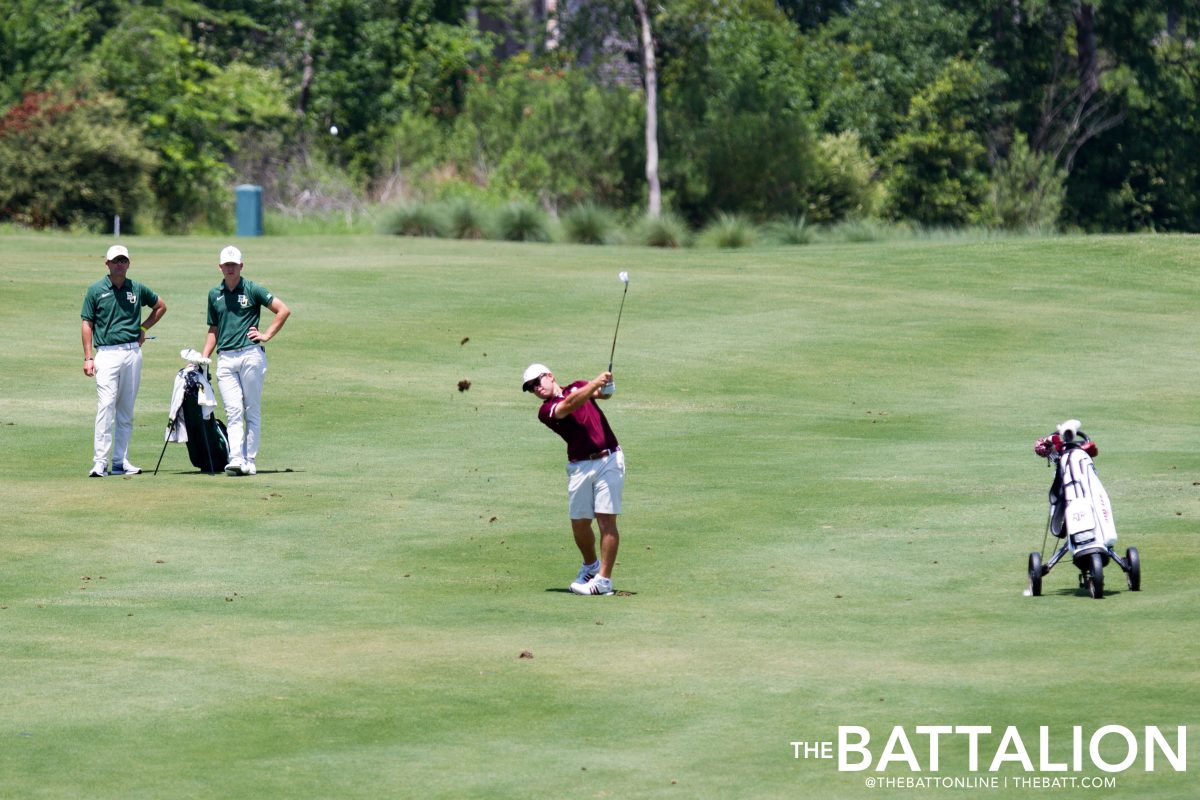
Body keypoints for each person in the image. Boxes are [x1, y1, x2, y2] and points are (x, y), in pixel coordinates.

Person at [522, 363, 625, 596]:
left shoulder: (579, 386)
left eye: (537, 382)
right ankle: (590, 566)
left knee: (606, 520)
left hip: (610, 459)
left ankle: (603, 581)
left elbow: (602, 394)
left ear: (550, 376)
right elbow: (571, 404)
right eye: (530, 388)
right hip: (579, 466)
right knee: (579, 523)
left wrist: (607, 385)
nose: (536, 389)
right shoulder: (546, 410)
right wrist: (595, 383)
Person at [200, 245, 290, 476]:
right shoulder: (214, 294)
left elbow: (282, 310)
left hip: (250, 354)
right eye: (226, 265)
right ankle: (236, 458)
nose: (230, 268)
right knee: (233, 410)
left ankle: (249, 459)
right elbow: (214, 329)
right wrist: (203, 357)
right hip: (226, 358)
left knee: (251, 409)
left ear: (241, 266)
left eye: (234, 265)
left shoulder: (252, 289)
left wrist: (266, 335)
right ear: (220, 267)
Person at [80, 244, 168, 477]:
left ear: (128, 263)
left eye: (123, 260)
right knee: (106, 407)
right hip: (106, 354)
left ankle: (120, 461)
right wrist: (88, 357)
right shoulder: (96, 290)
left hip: (132, 353)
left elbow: (160, 306)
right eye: (115, 261)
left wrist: (143, 327)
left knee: (126, 409)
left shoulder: (136, 288)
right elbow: (87, 323)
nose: (119, 264)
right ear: (107, 264)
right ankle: (100, 462)